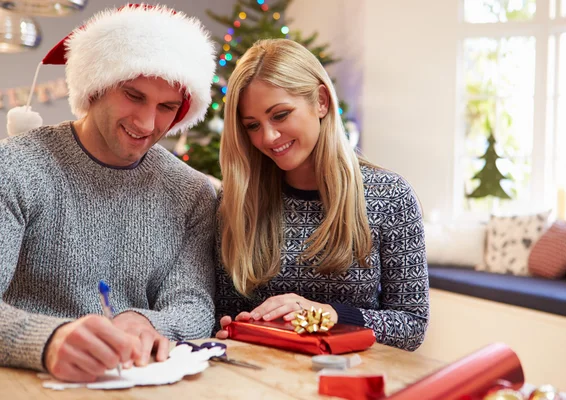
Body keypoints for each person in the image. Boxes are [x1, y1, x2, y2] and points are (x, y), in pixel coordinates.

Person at [0, 4, 217, 382]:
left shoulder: (192, 192)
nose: (147, 123)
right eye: (133, 96)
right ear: (95, 86)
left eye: (167, 107)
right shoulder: (16, 167)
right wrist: (48, 340)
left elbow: (194, 305)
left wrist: (146, 321)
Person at [214, 39, 429, 350]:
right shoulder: (237, 200)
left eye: (280, 115)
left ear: (322, 101)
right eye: (252, 125)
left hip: (350, 382)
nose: (268, 137)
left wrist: (329, 315)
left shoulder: (390, 197)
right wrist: (232, 327)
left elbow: (411, 326)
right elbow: (226, 310)